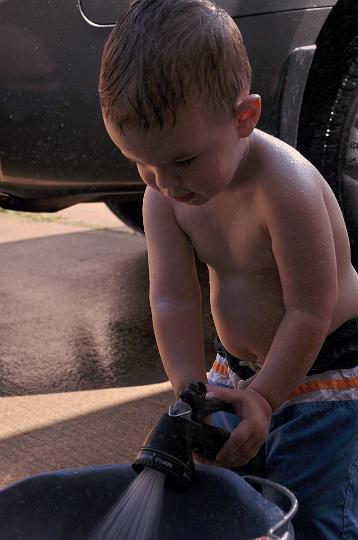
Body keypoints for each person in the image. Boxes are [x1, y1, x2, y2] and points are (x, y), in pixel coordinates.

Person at [98, 0, 358, 537]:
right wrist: (190, 391)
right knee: (234, 497)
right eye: (141, 163)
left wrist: (266, 396)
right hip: (234, 368)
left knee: (312, 508)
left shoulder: (286, 189)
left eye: (182, 161)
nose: (164, 181)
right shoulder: (165, 193)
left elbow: (311, 309)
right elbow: (172, 299)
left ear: (245, 119)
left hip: (325, 368)